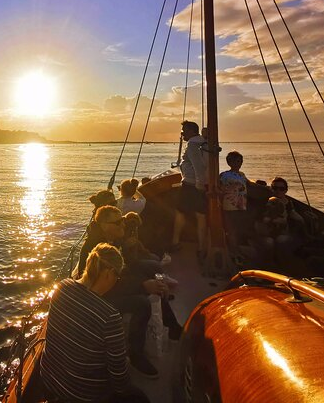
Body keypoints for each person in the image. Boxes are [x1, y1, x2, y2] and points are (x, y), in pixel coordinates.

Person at [77, 206, 183, 378]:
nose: (123, 224)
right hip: (98, 296)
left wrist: (127, 248)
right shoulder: (96, 249)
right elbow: (105, 283)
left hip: (114, 282)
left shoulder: (114, 238)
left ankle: (172, 326)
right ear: (104, 225)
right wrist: (142, 286)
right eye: (118, 222)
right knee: (142, 303)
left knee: (151, 269)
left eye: (123, 220)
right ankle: (136, 354)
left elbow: (124, 268)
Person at [41, 243, 150, 403]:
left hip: (48, 382)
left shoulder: (61, 288)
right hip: (82, 396)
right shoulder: (109, 316)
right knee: (141, 398)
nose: (116, 281)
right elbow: (120, 381)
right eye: (117, 276)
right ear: (108, 273)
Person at [171, 120, 208, 257]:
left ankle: (175, 243)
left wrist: (199, 186)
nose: (182, 134)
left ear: (192, 131)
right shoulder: (203, 143)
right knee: (201, 216)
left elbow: (198, 166)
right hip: (199, 184)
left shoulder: (192, 144)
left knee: (180, 213)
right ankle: (201, 247)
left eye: (184, 131)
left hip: (191, 185)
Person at [219, 151, 253, 257]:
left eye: (240, 161)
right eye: (236, 161)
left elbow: (248, 183)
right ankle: (233, 252)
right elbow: (219, 187)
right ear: (229, 162)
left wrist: (265, 187)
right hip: (230, 207)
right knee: (231, 230)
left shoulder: (241, 174)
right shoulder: (224, 175)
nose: (239, 163)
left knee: (239, 229)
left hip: (241, 206)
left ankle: (236, 249)